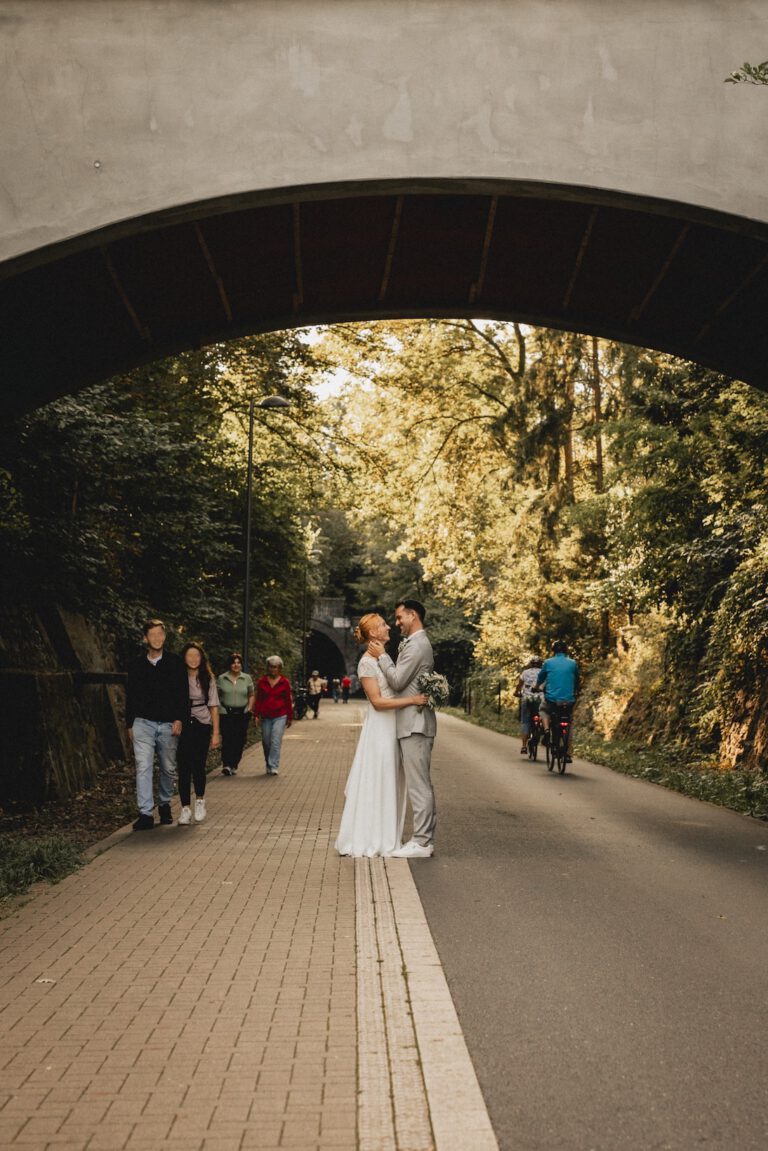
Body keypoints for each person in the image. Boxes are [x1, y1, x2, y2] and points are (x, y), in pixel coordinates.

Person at [335, 613, 428, 857]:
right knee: (379, 779)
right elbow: (377, 702)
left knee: (390, 780)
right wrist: (414, 699)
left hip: (392, 727)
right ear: (374, 633)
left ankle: (389, 835)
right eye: (383, 625)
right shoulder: (367, 662)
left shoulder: (381, 658)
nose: (389, 627)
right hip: (380, 729)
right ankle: (373, 838)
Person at [367, 599, 438, 859]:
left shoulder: (418, 644)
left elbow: (397, 681)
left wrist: (382, 656)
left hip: (415, 723)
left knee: (419, 785)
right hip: (412, 722)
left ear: (413, 616)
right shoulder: (415, 643)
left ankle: (422, 841)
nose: (396, 623)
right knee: (419, 783)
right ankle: (423, 839)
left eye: (399, 618)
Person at [125, 618, 188, 831]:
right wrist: (129, 724)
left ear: (164, 636)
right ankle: (145, 813)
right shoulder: (135, 665)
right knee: (143, 766)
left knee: (169, 768)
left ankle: (164, 804)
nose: (157, 638)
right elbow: (130, 696)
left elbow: (182, 693)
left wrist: (180, 718)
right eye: (152, 635)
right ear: (145, 638)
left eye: (160, 634)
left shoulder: (175, 662)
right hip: (142, 722)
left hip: (169, 723)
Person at [177, 642, 221, 825]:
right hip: (182, 722)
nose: (193, 659)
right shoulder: (178, 677)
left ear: (201, 658)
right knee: (183, 767)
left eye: (197, 656)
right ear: (184, 658)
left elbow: (213, 706)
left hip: (202, 723)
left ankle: (200, 800)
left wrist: (216, 732)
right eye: (189, 656)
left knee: (198, 765)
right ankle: (185, 808)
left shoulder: (207, 678)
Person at [537, 640, 579, 760]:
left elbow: (541, 677)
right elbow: (577, 679)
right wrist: (575, 691)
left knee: (543, 710)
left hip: (552, 700)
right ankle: (568, 753)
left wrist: (536, 686)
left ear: (553, 651)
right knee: (569, 722)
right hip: (568, 701)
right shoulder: (573, 663)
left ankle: (546, 730)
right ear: (566, 650)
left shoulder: (548, 662)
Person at [253, 656, 293, 775]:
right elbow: (259, 699)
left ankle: (273, 765)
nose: (272, 669)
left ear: (279, 668)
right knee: (266, 741)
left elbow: (287, 700)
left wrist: (290, 717)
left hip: (280, 715)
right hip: (266, 715)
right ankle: (268, 763)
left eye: (275, 667)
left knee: (275, 740)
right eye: (270, 667)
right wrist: (256, 715)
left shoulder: (284, 682)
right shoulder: (262, 681)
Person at [217, 652, 254, 776]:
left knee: (240, 739)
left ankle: (234, 763)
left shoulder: (246, 678)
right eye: (234, 663)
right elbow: (216, 696)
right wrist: (218, 708)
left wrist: (249, 708)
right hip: (226, 713)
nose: (236, 665)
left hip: (242, 713)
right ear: (230, 665)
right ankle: (226, 764)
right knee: (227, 738)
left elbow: (251, 695)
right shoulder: (222, 678)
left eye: (238, 663)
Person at [515, 656, 543, 754]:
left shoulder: (525, 672)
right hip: (540, 699)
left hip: (527, 698)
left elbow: (520, 685)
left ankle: (524, 746)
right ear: (541, 664)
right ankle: (543, 731)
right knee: (544, 716)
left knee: (525, 721)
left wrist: (516, 692)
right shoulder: (544, 673)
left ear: (531, 664)